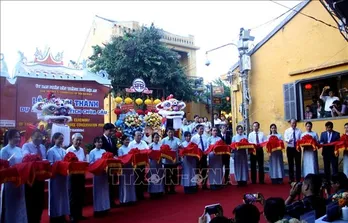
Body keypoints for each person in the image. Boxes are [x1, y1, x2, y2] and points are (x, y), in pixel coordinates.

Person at [0, 129, 27, 223]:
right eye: (16, 136)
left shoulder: (20, 149)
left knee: (20, 202)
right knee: (11, 203)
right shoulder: (4, 150)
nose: (18, 139)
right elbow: (3, 168)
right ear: (10, 137)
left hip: (20, 180)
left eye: (19, 136)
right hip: (10, 181)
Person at [22, 130, 47, 223]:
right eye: (37, 136)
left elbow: (45, 159)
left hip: (40, 177)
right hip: (30, 178)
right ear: (32, 137)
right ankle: (30, 219)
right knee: (30, 199)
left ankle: (38, 218)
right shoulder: (26, 146)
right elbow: (26, 156)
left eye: (41, 137)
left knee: (39, 199)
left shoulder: (43, 147)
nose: (39, 139)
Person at [47, 132, 70, 223]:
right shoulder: (51, 151)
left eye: (62, 139)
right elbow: (50, 164)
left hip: (63, 177)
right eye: (60, 138)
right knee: (55, 196)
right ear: (54, 139)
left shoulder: (64, 150)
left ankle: (63, 215)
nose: (61, 140)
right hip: (55, 177)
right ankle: (55, 217)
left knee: (63, 196)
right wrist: (59, 165)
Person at [66, 133, 87, 222]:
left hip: (81, 174)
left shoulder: (82, 150)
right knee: (72, 195)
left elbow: (84, 160)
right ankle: (72, 215)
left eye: (80, 140)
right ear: (72, 140)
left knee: (80, 194)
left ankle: (79, 214)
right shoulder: (68, 150)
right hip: (72, 175)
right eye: (77, 140)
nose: (78, 142)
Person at [89, 136, 110, 217]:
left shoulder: (104, 151)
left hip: (104, 173)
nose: (100, 143)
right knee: (98, 191)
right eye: (98, 142)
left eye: (101, 142)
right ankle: (98, 210)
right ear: (94, 143)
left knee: (104, 190)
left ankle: (105, 207)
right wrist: (98, 164)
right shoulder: (92, 152)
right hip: (97, 174)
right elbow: (90, 163)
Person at [101, 123, 117, 208]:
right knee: (106, 184)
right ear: (105, 130)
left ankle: (112, 201)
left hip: (113, 165)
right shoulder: (100, 140)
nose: (112, 132)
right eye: (110, 131)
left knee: (112, 183)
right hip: (105, 166)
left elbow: (115, 151)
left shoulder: (112, 140)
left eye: (112, 131)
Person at [128, 131, 149, 200]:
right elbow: (129, 154)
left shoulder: (144, 143)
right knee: (136, 179)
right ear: (134, 136)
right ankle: (136, 194)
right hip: (134, 165)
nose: (139, 137)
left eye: (140, 135)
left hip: (142, 164)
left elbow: (147, 150)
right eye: (137, 135)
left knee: (141, 178)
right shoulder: (131, 144)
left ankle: (141, 194)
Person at [118, 135, 137, 204]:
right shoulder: (120, 149)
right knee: (125, 184)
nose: (127, 141)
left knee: (131, 183)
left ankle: (131, 198)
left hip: (130, 167)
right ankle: (124, 200)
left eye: (128, 140)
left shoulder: (130, 148)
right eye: (126, 140)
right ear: (122, 141)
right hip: (124, 168)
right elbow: (120, 159)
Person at [161, 128, 181, 194]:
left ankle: (172, 189)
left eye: (172, 132)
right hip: (166, 162)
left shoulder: (177, 140)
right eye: (169, 132)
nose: (171, 133)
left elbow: (181, 147)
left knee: (173, 175)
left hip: (174, 161)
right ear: (167, 133)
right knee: (166, 175)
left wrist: (180, 145)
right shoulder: (163, 140)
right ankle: (166, 189)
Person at [284, 119, 302, 183]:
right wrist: (290, 140)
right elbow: (286, 139)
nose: (293, 124)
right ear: (290, 123)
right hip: (290, 148)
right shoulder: (287, 131)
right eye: (292, 123)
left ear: (296, 123)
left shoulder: (299, 131)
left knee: (298, 164)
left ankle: (298, 179)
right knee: (290, 164)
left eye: (294, 123)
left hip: (297, 148)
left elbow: (301, 139)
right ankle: (291, 179)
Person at [191, 124, 209, 189]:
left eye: (202, 129)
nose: (202, 130)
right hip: (197, 156)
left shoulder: (205, 137)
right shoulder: (194, 138)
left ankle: (204, 184)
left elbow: (207, 146)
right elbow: (192, 147)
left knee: (204, 169)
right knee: (197, 170)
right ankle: (196, 184)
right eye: (200, 129)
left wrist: (206, 152)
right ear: (197, 129)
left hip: (204, 155)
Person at [148, 132, 165, 198]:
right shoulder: (150, 146)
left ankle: (160, 191)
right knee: (153, 176)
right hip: (152, 163)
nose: (157, 138)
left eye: (158, 137)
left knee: (160, 176)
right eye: (155, 137)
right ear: (153, 138)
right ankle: (153, 192)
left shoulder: (161, 145)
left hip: (159, 163)